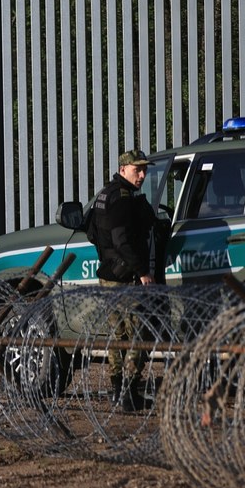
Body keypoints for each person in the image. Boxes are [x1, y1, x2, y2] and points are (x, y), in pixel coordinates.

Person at [89, 148, 159, 411]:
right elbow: (122, 241)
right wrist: (142, 271)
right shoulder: (123, 198)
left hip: (108, 275)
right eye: (137, 170)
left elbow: (92, 233)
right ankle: (129, 392)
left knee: (117, 336)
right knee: (137, 335)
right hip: (126, 277)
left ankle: (118, 390)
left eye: (144, 170)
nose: (142, 175)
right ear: (123, 170)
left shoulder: (105, 195)